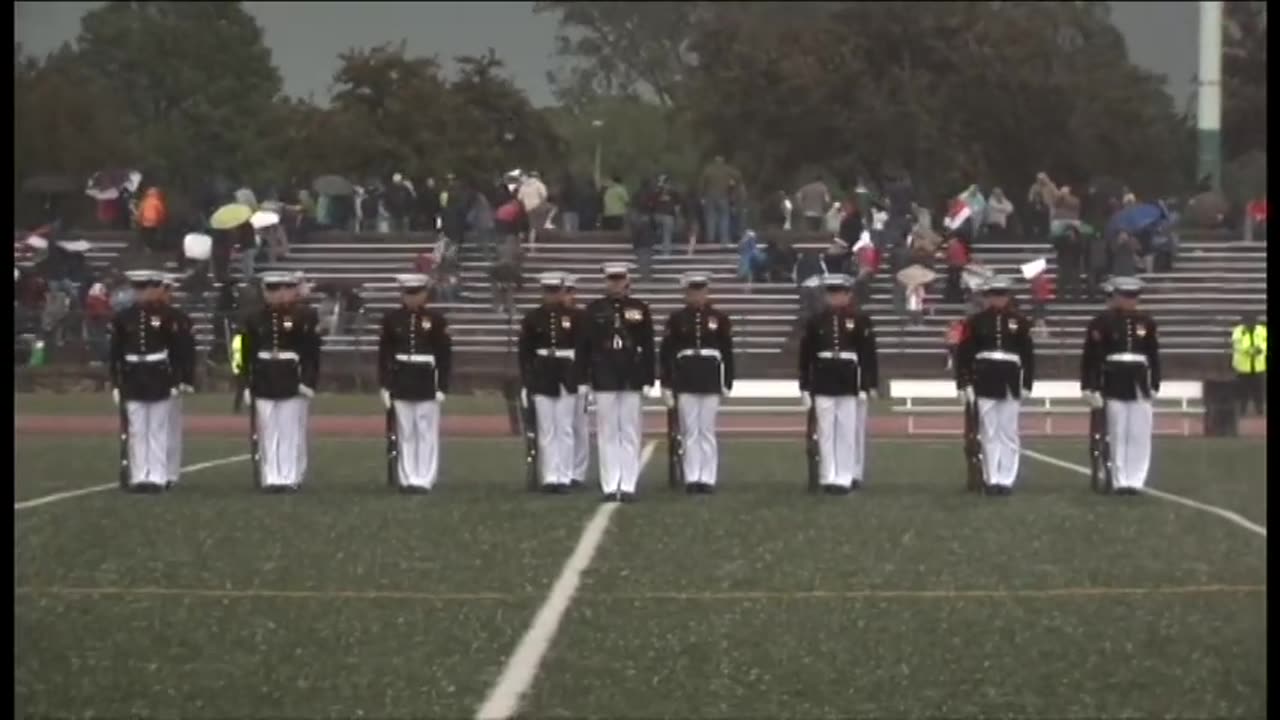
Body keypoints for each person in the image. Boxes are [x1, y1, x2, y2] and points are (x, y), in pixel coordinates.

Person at [108, 270, 195, 493]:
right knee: (137, 429)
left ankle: (156, 475)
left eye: (146, 288)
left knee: (157, 428)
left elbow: (177, 350)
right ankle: (139, 475)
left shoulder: (167, 316)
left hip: (158, 374)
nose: (142, 294)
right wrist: (116, 382)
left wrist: (178, 379)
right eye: (138, 289)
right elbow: (115, 352)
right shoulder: (123, 317)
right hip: (133, 374)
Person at [797, 274, 880, 494]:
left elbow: (867, 355)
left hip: (848, 378)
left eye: (840, 293)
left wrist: (866, 385)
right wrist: (804, 386)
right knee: (826, 431)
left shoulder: (860, 320)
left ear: (849, 295)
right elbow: (806, 357)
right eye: (832, 293)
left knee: (846, 431)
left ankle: (844, 476)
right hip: (823, 379)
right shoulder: (815, 321)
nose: (836, 298)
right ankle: (828, 475)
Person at [954, 276, 1036, 495]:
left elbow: (1027, 356)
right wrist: (964, 383)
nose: (998, 300)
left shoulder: (1019, 322)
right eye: (993, 295)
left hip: (1010, 378)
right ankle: (992, 478)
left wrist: (1027, 382)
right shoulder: (975, 322)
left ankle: (1006, 479)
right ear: (987, 297)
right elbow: (964, 354)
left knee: (1008, 431)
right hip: (985, 378)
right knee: (989, 431)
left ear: (1008, 297)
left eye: (1002, 295)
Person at [240, 271, 322, 492]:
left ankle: (289, 476)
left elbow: (311, 352)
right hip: (264, 376)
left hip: (291, 376)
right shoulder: (253, 318)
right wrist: (246, 383)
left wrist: (308, 380)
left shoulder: (305, 316)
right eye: (271, 290)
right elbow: (244, 352)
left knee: (289, 430)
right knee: (268, 429)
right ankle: (272, 476)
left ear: (291, 291)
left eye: (282, 289)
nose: (277, 295)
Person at [1079, 277, 1161, 495]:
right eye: (1125, 297)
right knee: (1117, 431)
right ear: (1115, 297)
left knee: (1139, 433)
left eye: (1133, 297)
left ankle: (1136, 478)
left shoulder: (1147, 322)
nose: (1129, 302)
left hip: (1139, 381)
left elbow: (1153, 355)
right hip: (1114, 380)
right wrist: (1089, 386)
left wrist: (1155, 383)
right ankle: (1120, 478)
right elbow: (1091, 358)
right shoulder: (1102, 322)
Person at [581, 263, 655, 502]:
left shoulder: (640, 308)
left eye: (619, 279)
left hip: (631, 374)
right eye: (611, 279)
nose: (615, 283)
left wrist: (649, 377)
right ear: (605, 281)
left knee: (630, 432)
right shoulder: (593, 309)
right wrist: (584, 378)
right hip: (604, 374)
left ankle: (629, 483)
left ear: (627, 280)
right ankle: (611, 484)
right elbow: (584, 347)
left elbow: (648, 345)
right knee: (607, 432)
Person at [659, 271, 735, 493]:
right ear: (686, 293)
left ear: (707, 292)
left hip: (710, 376)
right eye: (693, 291)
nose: (697, 295)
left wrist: (728, 381)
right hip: (686, 377)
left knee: (707, 430)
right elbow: (667, 353)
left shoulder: (719, 318)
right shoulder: (676, 319)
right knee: (690, 430)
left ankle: (708, 476)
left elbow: (727, 352)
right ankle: (693, 476)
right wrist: (666, 383)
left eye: (701, 291)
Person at [378, 274, 452, 493]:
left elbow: (444, 356)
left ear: (425, 294)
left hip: (426, 377)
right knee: (406, 431)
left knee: (425, 430)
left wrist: (442, 386)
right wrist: (385, 384)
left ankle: (424, 477)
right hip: (401, 377)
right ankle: (408, 476)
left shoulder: (436, 320)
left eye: (416, 293)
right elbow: (385, 355)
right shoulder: (392, 319)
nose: (411, 298)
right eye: (407, 294)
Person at [518, 272, 585, 493]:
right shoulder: (532, 318)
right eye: (548, 291)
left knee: (564, 427)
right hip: (542, 372)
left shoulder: (575, 317)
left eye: (556, 291)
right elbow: (525, 352)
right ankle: (550, 476)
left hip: (567, 371)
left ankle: (564, 476)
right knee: (547, 429)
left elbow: (583, 350)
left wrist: (582, 377)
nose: (552, 296)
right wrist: (527, 379)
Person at [159, 274, 196, 489]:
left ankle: (170, 472)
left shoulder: (179, 318)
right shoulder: (138, 316)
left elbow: (186, 352)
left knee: (170, 426)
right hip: (144, 376)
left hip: (170, 375)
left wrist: (185, 378)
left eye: (165, 289)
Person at [560, 275, 592, 487]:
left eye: (570, 291)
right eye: (564, 291)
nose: (567, 296)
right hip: (554, 372)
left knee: (579, 426)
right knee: (561, 425)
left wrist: (585, 378)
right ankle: (561, 468)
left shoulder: (582, 317)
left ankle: (578, 472)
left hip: (576, 372)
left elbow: (587, 350)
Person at [1231, 313, 1267, 416]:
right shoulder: (1238, 331)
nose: (1251, 325)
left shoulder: (1262, 330)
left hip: (1259, 366)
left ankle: (1260, 410)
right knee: (1243, 391)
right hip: (1243, 367)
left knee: (1259, 390)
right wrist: (1248, 351)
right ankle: (1242, 410)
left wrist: (1261, 348)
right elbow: (1237, 344)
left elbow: (1265, 341)